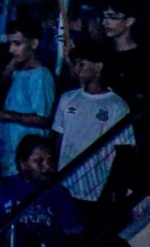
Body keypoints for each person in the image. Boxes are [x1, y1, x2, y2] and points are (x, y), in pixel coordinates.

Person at [52, 40, 135, 206]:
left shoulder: (117, 106)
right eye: (75, 64)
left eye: (82, 64)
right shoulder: (67, 98)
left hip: (96, 188)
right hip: (64, 185)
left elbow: (123, 150)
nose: (77, 69)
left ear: (98, 67)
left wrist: (111, 188)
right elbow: (58, 139)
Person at [0, 17, 55, 176]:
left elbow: (43, 118)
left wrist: (5, 115)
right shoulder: (18, 72)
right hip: (10, 154)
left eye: (17, 44)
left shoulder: (40, 76)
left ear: (33, 44)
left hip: (29, 159)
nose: (11, 49)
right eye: (10, 44)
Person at [0, 136, 83, 245]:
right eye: (39, 161)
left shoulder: (60, 194)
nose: (47, 166)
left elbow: (72, 232)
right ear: (22, 164)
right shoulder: (5, 187)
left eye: (50, 160)